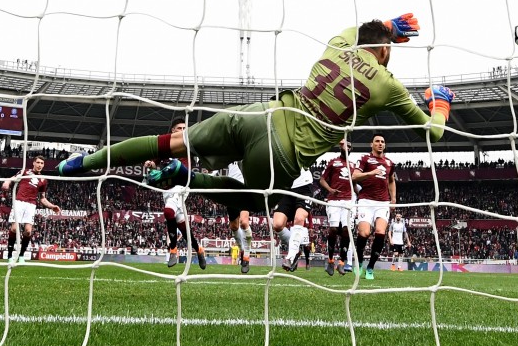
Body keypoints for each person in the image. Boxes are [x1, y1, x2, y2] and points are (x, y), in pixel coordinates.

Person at [58, 15, 453, 206]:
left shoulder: (339, 43)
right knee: (257, 200)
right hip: (281, 153)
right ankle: (184, 177)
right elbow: (433, 133)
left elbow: (363, 30)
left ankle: (82, 162)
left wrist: (389, 25)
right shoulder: (389, 85)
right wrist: (440, 103)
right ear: (386, 51)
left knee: (170, 141)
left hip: (256, 115)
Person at [146, 119, 207, 270]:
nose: (182, 130)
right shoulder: (165, 147)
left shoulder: (188, 144)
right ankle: (198, 249)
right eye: (179, 128)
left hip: (181, 185)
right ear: (173, 130)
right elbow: (155, 163)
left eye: (184, 128)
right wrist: (150, 164)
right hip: (167, 187)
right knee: (180, 223)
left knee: (168, 211)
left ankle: (173, 248)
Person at [2, 155, 61, 265]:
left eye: (42, 163)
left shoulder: (43, 180)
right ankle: (10, 255)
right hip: (19, 202)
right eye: (38, 162)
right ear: (33, 163)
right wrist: (7, 182)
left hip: (31, 205)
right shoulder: (25, 172)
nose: (39, 165)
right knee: (14, 229)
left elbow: (42, 199)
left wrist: (52, 206)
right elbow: (12, 178)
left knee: (28, 231)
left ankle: (21, 256)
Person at [352, 134, 396, 280]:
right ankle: (359, 262)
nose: (380, 143)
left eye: (382, 141)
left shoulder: (389, 162)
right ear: (371, 144)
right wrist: (371, 173)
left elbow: (391, 181)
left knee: (380, 231)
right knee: (364, 233)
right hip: (365, 201)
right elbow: (354, 176)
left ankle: (370, 268)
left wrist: (393, 199)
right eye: (377, 141)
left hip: (383, 202)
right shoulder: (365, 159)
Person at [319, 140, 356, 276]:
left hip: (348, 201)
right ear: (340, 147)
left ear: (352, 149)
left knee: (347, 231)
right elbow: (322, 179)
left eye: (350, 146)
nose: (347, 148)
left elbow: (356, 184)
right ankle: (329, 260)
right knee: (334, 229)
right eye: (345, 145)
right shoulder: (333, 162)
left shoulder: (353, 166)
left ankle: (341, 262)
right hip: (333, 200)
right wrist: (330, 189)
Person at [272, 169, 314, 272]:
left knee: (299, 218)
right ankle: (295, 249)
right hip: (286, 188)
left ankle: (290, 257)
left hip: (304, 186)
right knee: (277, 224)